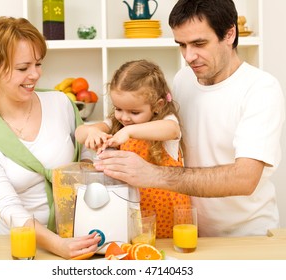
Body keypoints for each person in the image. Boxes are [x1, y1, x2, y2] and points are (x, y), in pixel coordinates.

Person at [93, 0, 285, 237]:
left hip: (248, 234)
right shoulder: (184, 79)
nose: (189, 56)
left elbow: (244, 179)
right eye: (181, 45)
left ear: (229, 33)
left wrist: (153, 175)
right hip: (189, 232)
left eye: (199, 43)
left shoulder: (260, 88)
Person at [0, 16, 100, 259]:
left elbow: (85, 150)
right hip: (20, 248)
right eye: (23, 68)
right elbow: (8, 207)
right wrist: (58, 246)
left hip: (75, 237)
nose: (35, 75)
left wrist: (85, 170)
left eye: (38, 64)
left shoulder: (60, 103)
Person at [75, 59, 191, 238]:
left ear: (157, 106)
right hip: (134, 211)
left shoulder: (165, 122)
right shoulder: (117, 123)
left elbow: (172, 130)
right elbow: (79, 133)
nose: (124, 117)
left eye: (134, 112)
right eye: (118, 109)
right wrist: (91, 132)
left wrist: (129, 131)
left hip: (168, 215)